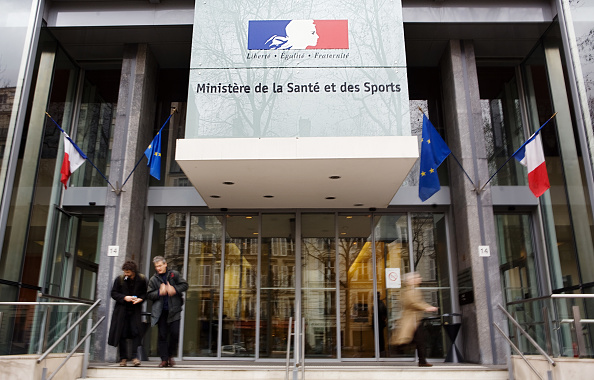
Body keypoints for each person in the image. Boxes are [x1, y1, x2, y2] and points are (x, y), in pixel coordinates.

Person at [147, 255, 188, 368]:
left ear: (165, 264)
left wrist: (174, 289)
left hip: (174, 310)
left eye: (160, 265)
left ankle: (170, 355)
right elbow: (149, 295)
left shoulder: (174, 274)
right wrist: (160, 292)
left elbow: (185, 285)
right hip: (161, 312)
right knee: (162, 336)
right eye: (156, 266)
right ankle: (164, 359)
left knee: (175, 334)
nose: (158, 268)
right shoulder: (153, 279)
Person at [392, 272, 438, 367]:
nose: (419, 278)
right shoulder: (408, 291)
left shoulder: (415, 290)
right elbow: (413, 303)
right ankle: (397, 348)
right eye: (416, 277)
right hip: (410, 319)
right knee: (416, 340)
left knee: (420, 340)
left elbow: (419, 302)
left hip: (416, 319)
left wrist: (427, 307)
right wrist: (426, 308)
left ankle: (422, 361)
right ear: (409, 281)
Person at [107, 260, 147, 367]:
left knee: (136, 333)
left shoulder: (142, 279)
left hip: (135, 311)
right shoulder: (120, 279)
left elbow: (145, 293)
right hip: (122, 311)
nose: (126, 274)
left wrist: (140, 299)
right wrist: (124, 297)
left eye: (128, 272)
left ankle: (134, 357)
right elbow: (113, 293)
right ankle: (123, 358)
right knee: (122, 334)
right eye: (125, 272)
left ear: (133, 271)